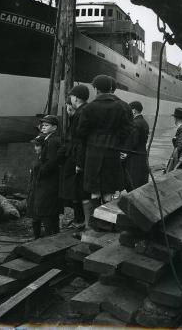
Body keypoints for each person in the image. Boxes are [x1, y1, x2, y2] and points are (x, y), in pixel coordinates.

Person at [77, 75, 133, 229]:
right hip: (112, 153)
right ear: (111, 88)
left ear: (96, 89)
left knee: (94, 192)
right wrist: (116, 141)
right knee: (109, 191)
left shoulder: (89, 108)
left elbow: (81, 133)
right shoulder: (123, 106)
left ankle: (95, 225)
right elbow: (128, 130)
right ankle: (109, 224)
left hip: (93, 154)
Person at [59, 85, 89, 230]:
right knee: (77, 189)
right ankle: (81, 219)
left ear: (76, 97)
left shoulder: (80, 113)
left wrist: (78, 162)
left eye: (71, 96)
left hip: (77, 156)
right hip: (78, 155)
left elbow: (80, 140)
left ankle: (80, 220)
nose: (70, 99)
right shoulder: (83, 111)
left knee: (77, 189)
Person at [27, 115, 61, 238]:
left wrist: (40, 173)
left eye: (47, 125)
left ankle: (49, 237)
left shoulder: (52, 141)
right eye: (43, 125)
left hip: (46, 184)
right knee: (48, 211)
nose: (43, 127)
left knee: (46, 211)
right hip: (44, 183)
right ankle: (52, 235)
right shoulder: (49, 139)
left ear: (55, 127)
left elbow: (51, 162)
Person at [123, 101, 149, 190]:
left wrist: (124, 153)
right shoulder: (144, 122)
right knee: (141, 182)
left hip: (134, 158)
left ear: (133, 111)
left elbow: (133, 141)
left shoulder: (135, 123)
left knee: (133, 181)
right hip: (142, 155)